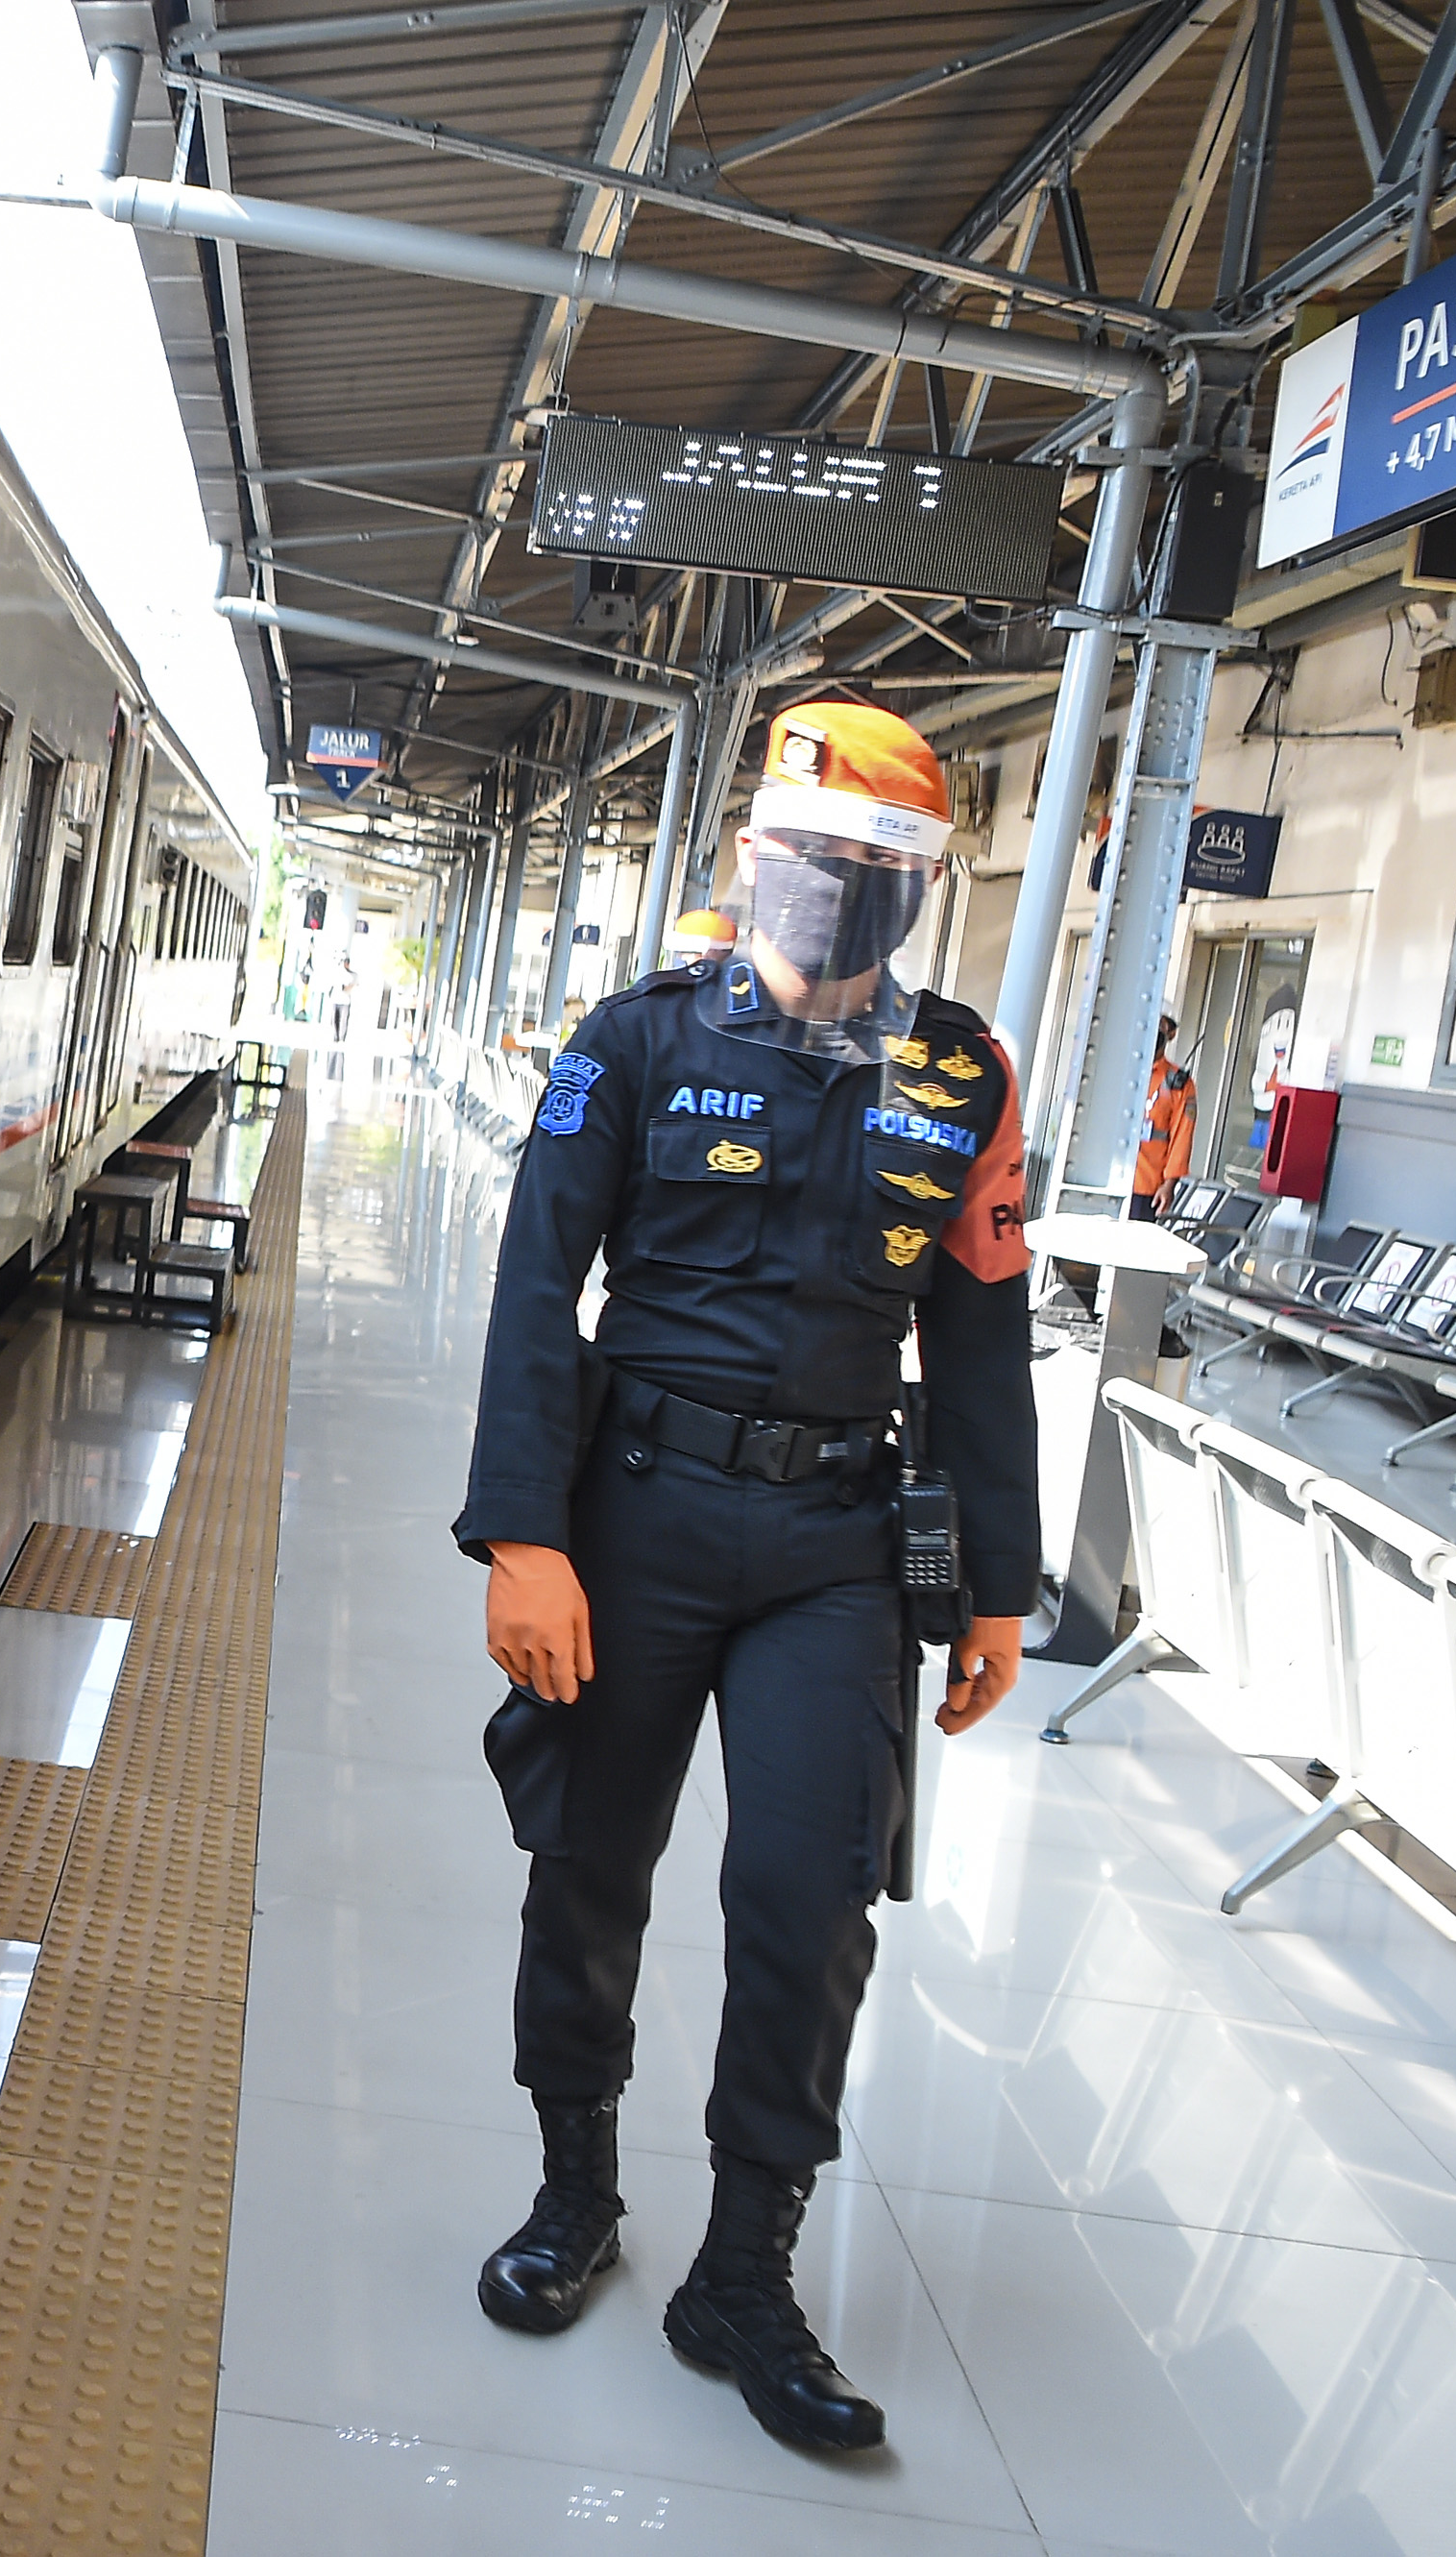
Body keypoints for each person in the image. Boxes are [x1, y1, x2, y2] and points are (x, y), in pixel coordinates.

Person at [454, 701, 1036, 2453]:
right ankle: (577, 2196)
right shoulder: (630, 1041)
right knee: (590, 1869)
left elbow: (986, 1344)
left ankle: (746, 2270)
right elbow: (535, 1284)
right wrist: (525, 1536)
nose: (841, 888)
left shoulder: (963, 1077)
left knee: (808, 1905)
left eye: (882, 868)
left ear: (920, 886)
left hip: (836, 1553)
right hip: (628, 1521)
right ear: (748, 858)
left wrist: (997, 1584)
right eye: (815, 855)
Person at [1131, 1015, 1198, 1218]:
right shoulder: (1121, 1070)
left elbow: (1182, 1138)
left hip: (1146, 1188)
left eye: (1161, 1024)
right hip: (1106, 1179)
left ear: (1171, 1033)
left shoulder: (1179, 1083)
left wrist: (1169, 1184)